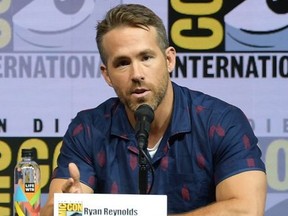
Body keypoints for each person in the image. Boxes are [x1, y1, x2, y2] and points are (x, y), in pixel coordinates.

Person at [41, 3, 267, 216]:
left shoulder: (221, 122)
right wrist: (69, 207)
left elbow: (246, 209)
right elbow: (53, 209)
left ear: (169, 60)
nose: (137, 74)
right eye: (122, 63)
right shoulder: (89, 129)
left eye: (146, 57)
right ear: (107, 75)